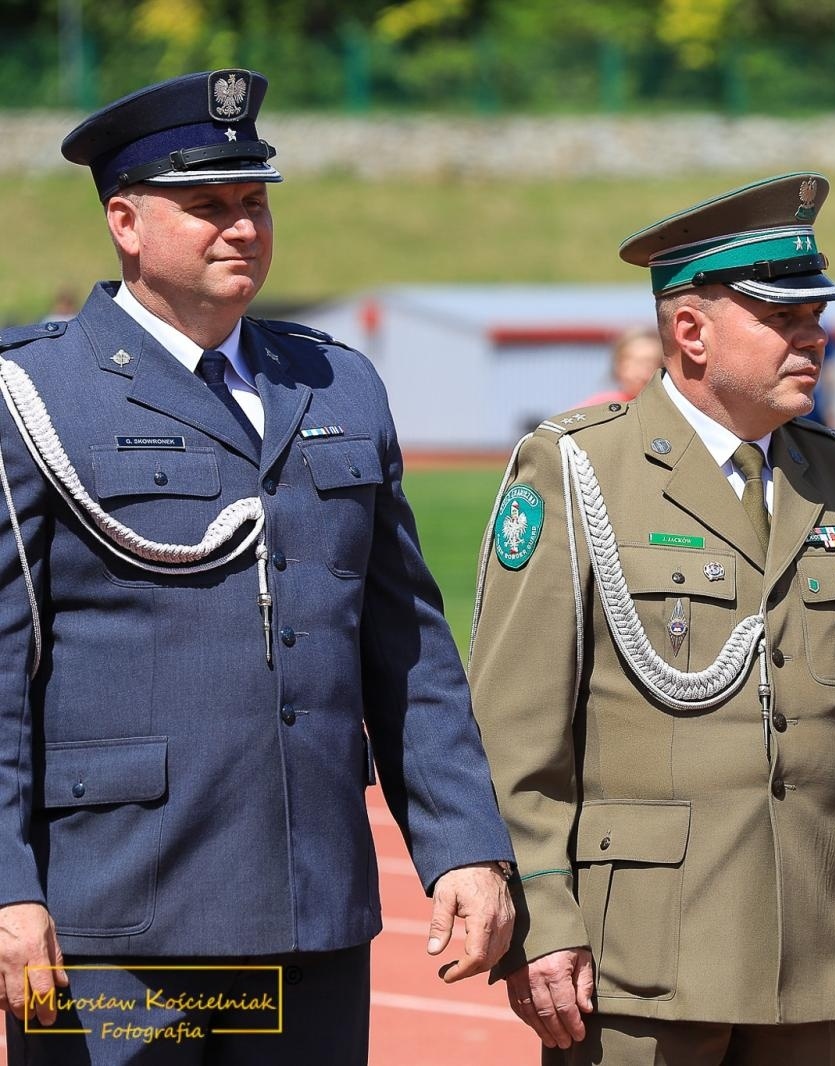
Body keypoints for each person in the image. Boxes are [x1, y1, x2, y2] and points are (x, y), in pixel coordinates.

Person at [0, 70, 515, 1064]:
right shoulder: (36, 394)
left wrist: (462, 843)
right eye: (206, 207)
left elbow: (406, 648)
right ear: (125, 221)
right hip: (115, 923)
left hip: (305, 904)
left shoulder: (335, 380)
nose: (240, 227)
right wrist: (7, 883)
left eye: (253, 203)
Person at [469, 171, 835, 1066]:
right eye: (783, 317)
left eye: (817, 316)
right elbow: (515, 729)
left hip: (816, 939)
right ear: (689, 331)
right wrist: (542, 910)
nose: (815, 337)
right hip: (639, 958)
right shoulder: (578, 469)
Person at [579, 326, 663, 408]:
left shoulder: (665, 407)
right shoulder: (598, 407)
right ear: (619, 364)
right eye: (638, 362)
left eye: (653, 363)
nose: (644, 372)